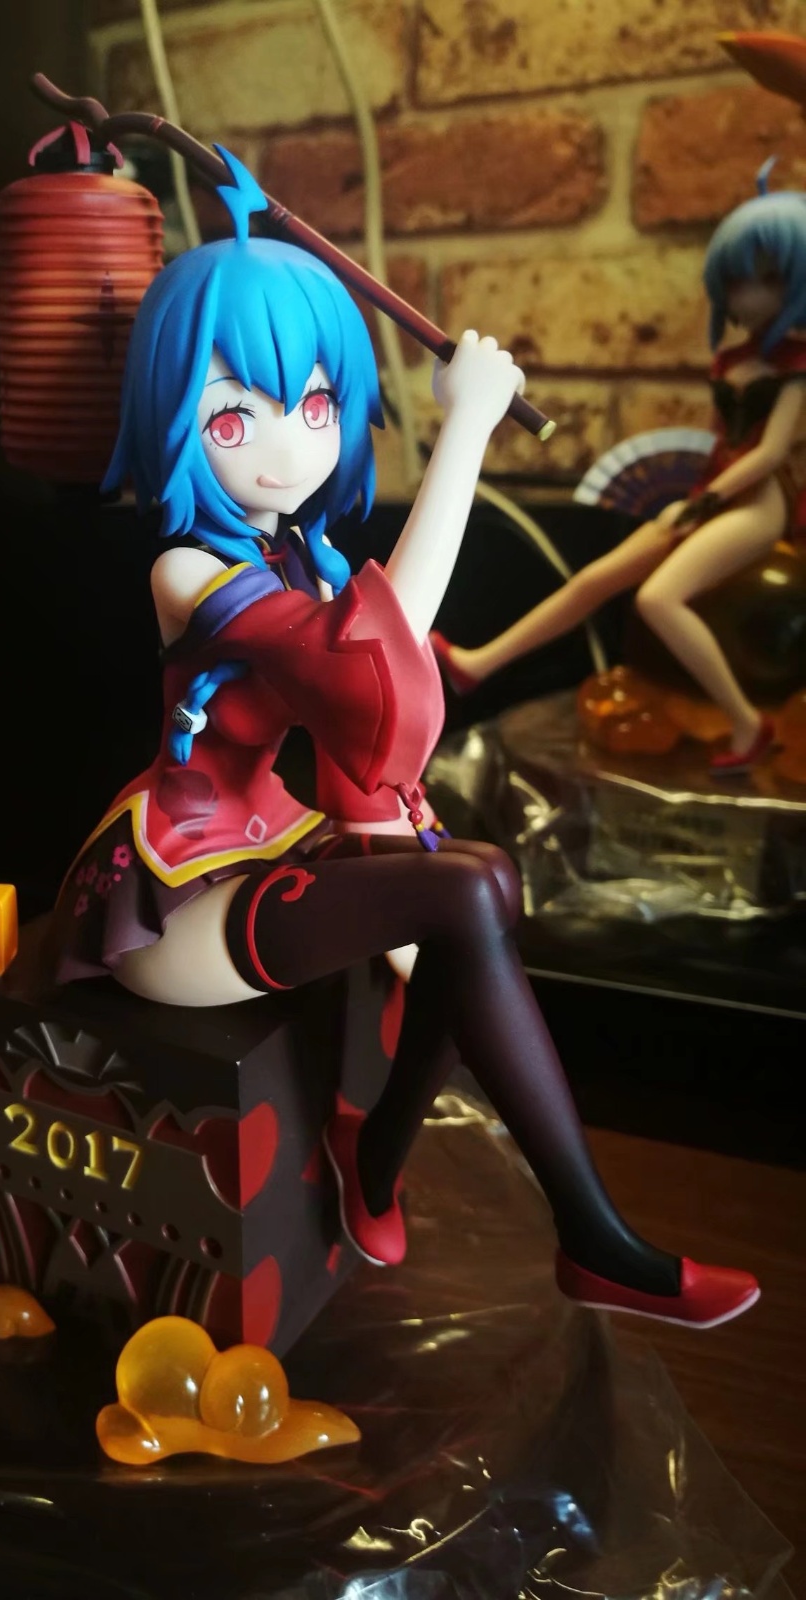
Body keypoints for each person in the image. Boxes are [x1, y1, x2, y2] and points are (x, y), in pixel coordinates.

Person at [47, 151, 758, 1327]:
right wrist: (465, 432)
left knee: (480, 886)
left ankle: (405, 1169)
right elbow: (362, 665)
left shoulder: (296, 552)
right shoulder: (188, 569)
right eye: (235, 415)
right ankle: (567, 1228)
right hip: (177, 901)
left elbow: (376, 712)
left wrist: (386, 829)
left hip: (267, 845)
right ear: (174, 420)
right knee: (468, 890)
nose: (286, 448)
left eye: (317, 408)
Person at [431, 179, 806, 774]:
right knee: (596, 578)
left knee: (659, 598)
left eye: (761, 279)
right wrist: (696, 500)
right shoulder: (734, 360)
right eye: (734, 279)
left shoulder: (794, 369)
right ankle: (478, 664)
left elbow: (769, 454)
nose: (743, 294)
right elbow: (723, 439)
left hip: (760, 503)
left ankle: (746, 722)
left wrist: (705, 501)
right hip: (711, 492)